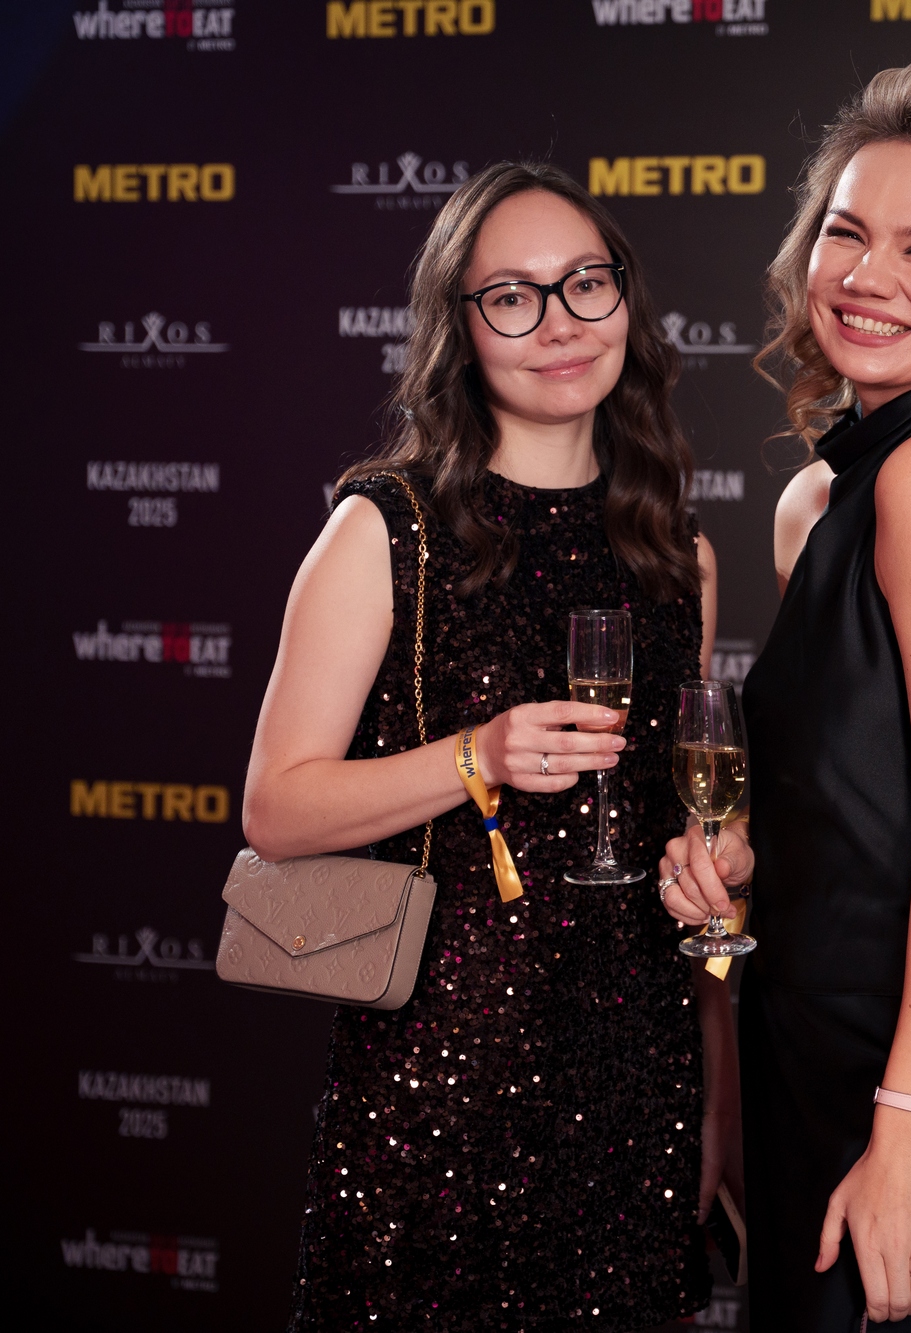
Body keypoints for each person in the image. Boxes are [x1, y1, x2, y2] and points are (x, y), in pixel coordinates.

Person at [242, 160, 740, 1333]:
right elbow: (275, 810)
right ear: (459, 328)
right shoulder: (386, 529)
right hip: (441, 1094)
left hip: (637, 1085)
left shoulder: (679, 556)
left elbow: (695, 860)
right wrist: (479, 756)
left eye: (585, 284)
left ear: (626, 299)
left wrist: (718, 1089)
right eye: (513, 296)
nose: (560, 323)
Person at [656, 61, 911, 1333]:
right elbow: (861, 785)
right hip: (834, 1036)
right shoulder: (849, 487)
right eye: (846, 232)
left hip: (894, 1062)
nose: (866, 275)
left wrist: (905, 1131)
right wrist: (744, 847)